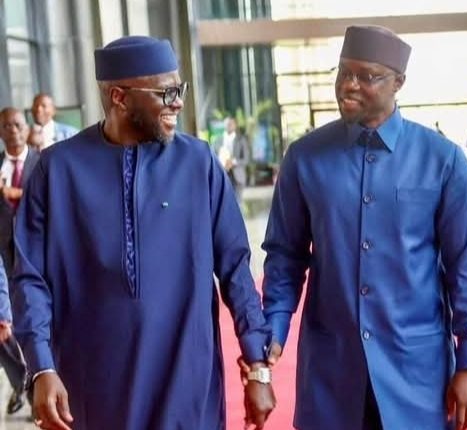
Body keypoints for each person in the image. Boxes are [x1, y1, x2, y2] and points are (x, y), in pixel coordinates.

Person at [11, 36, 276, 430]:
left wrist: (257, 363)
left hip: (187, 385)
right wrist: (41, 367)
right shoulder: (56, 170)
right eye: (165, 93)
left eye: (179, 90)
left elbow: (236, 267)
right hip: (91, 391)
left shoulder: (198, 163)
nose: (178, 103)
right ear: (119, 97)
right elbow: (30, 278)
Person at [261, 25, 467, 430]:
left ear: (399, 82)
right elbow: (285, 256)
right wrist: (274, 327)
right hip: (332, 370)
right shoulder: (304, 158)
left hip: (417, 371)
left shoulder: (443, 160)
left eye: (367, 76)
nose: (349, 85)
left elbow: (465, 268)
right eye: (344, 72)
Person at [0, 107, 35, 415]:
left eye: (17, 125)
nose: (13, 130)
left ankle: (40, 383)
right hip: (3, 260)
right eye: (7, 126)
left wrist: (16, 193)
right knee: (4, 330)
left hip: (37, 259)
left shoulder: (44, 162)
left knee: (35, 323)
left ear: (27, 128)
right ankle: (21, 382)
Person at [213, 117, 250, 202]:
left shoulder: (241, 140)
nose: (229, 126)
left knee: (237, 203)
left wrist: (233, 162)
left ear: (235, 125)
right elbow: (213, 157)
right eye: (227, 124)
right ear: (224, 125)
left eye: (231, 124)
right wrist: (221, 163)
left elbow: (246, 159)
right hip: (222, 176)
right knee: (224, 203)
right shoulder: (218, 140)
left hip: (238, 177)